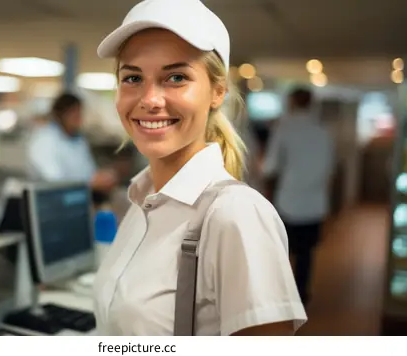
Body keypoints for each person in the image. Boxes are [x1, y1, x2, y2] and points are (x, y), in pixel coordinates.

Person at [92, 0, 307, 336]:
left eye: (176, 77)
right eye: (132, 77)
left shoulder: (236, 215)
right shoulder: (143, 200)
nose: (149, 99)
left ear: (217, 92)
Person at [262, 87, 335, 305]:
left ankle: (280, 298)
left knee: (282, 251)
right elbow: (330, 169)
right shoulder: (323, 131)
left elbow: (270, 167)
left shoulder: (284, 128)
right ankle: (301, 296)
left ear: (292, 103)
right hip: (315, 203)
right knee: (306, 255)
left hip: (288, 201)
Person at [26, 92, 117, 197]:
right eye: (73, 113)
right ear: (60, 115)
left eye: (79, 112)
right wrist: (90, 183)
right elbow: (54, 180)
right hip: (51, 200)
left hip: (78, 197)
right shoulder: (44, 140)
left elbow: (88, 171)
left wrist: (102, 178)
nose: (78, 117)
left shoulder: (78, 139)